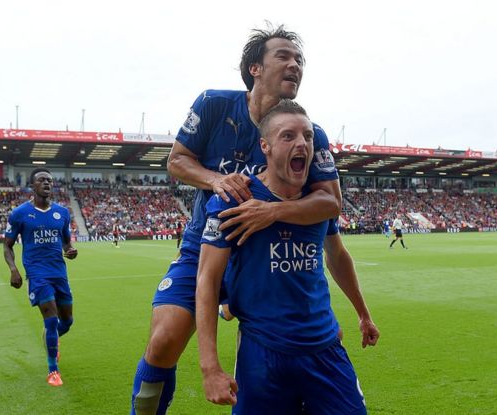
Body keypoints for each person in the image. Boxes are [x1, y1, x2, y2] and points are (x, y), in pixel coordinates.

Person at [130, 24, 342, 415]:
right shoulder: (213, 105)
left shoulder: (310, 135)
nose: (295, 65)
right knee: (163, 341)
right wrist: (216, 180)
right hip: (204, 244)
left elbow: (330, 202)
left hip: (265, 257)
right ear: (254, 68)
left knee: (280, 355)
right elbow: (176, 161)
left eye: (299, 60)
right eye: (284, 56)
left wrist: (272, 211)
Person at [197, 100, 376, 414]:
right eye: (288, 136)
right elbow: (207, 280)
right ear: (265, 146)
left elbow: (337, 256)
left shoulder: (318, 204)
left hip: (325, 349)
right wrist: (210, 367)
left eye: (307, 136)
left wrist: (363, 313)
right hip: (263, 354)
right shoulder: (235, 200)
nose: (302, 144)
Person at [3, 168, 78, 387]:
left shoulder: (62, 213)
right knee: (51, 321)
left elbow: (66, 242)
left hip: (59, 273)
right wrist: (13, 269)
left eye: (50, 180)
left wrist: (70, 250)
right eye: (42, 180)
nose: (47, 183)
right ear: (32, 185)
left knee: (67, 322)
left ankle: (51, 340)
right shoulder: (19, 213)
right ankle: (52, 371)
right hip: (37, 274)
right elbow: (7, 246)